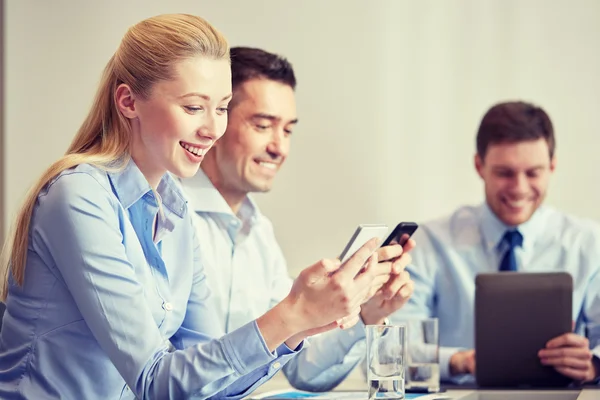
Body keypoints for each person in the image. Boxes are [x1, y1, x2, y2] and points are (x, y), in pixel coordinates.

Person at [0, 14, 390, 399]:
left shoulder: (175, 210)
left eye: (221, 108)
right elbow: (156, 383)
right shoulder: (79, 197)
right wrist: (291, 314)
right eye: (193, 108)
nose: (212, 129)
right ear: (128, 101)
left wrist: (301, 325)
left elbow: (204, 384)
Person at [180, 47, 416, 392]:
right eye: (263, 126)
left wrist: (364, 312)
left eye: (288, 130)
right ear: (216, 120)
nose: (280, 147)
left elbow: (303, 370)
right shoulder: (166, 215)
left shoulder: (259, 233)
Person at [392, 101, 600, 385]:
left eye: (533, 172)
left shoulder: (589, 243)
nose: (519, 188)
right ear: (480, 166)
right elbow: (388, 352)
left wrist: (594, 366)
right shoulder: (430, 243)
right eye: (505, 173)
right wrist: (460, 361)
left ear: (552, 166)